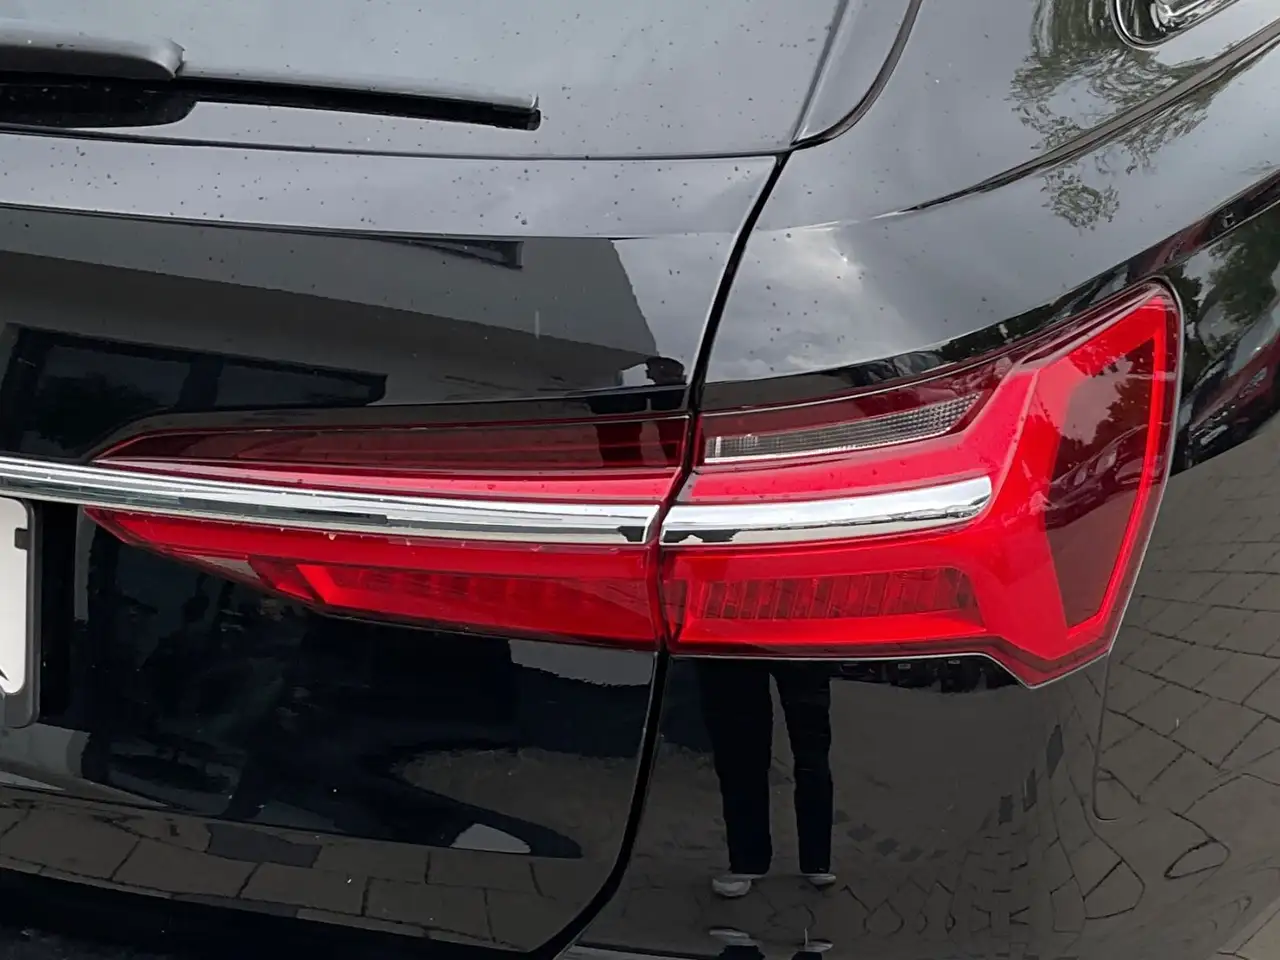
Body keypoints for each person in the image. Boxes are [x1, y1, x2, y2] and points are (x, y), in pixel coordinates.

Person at [695, 660, 835, 898]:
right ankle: (813, 860)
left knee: (747, 748)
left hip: (749, 645)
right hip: (783, 646)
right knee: (804, 747)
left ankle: (752, 860)